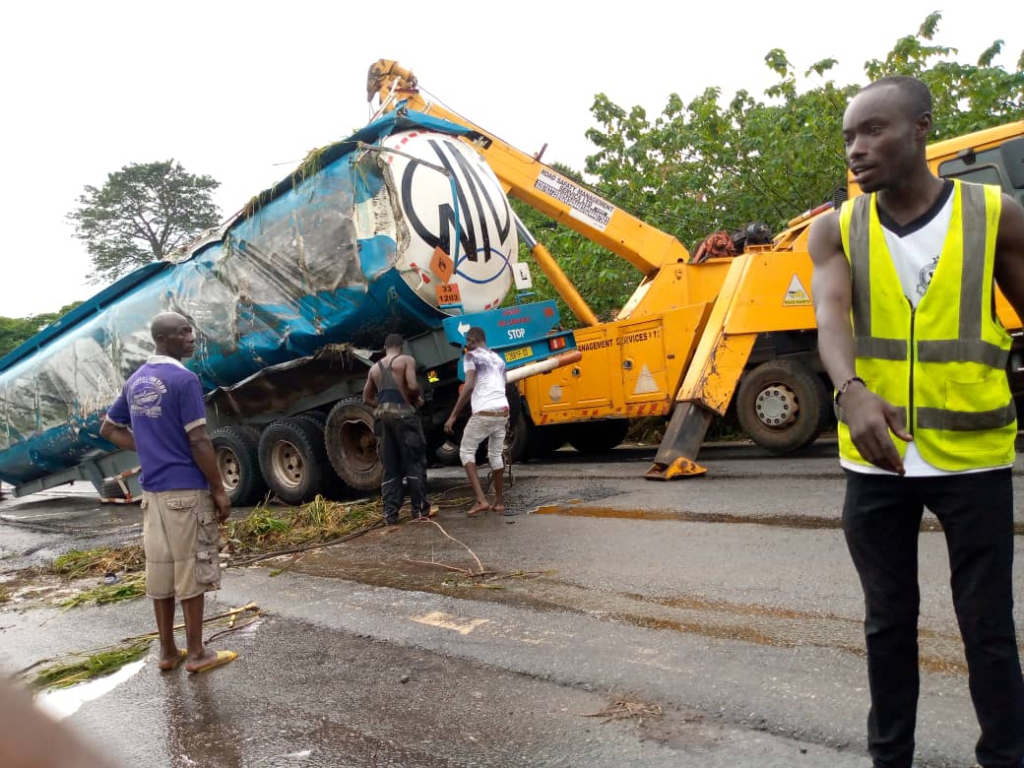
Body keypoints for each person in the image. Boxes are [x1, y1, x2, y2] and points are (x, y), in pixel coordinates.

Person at [808, 75, 1024, 768]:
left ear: (923, 128)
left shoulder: (997, 214)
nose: (858, 149)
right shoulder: (835, 228)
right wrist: (850, 390)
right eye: (849, 137)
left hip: (975, 457)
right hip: (876, 460)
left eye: (874, 130)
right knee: (888, 624)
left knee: (989, 627)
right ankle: (889, 759)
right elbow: (830, 319)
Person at [99, 312, 237, 675]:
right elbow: (199, 439)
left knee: (160, 574)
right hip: (186, 492)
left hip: (154, 496)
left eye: (191, 330)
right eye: (183, 332)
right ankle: (196, 654)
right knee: (192, 569)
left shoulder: (136, 381)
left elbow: (109, 428)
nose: (191, 337)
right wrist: (219, 489)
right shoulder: (183, 379)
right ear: (163, 339)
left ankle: (167, 652)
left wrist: (147, 450)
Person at [362, 332, 430, 524]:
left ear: (385, 348)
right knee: (414, 463)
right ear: (401, 347)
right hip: (404, 417)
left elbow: (366, 399)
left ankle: (390, 514)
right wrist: (416, 398)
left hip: (383, 420)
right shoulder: (406, 360)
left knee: (391, 468)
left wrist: (383, 406)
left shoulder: (374, 369)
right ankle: (419, 511)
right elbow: (413, 385)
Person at [444, 326, 509, 516]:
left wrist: (454, 414)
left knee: (465, 451)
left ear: (473, 340)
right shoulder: (498, 359)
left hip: (485, 411)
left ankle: (481, 500)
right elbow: (502, 384)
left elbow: (469, 385)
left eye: (467, 341)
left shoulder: (471, 357)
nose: (466, 345)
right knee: (495, 455)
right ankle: (499, 502)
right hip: (503, 410)